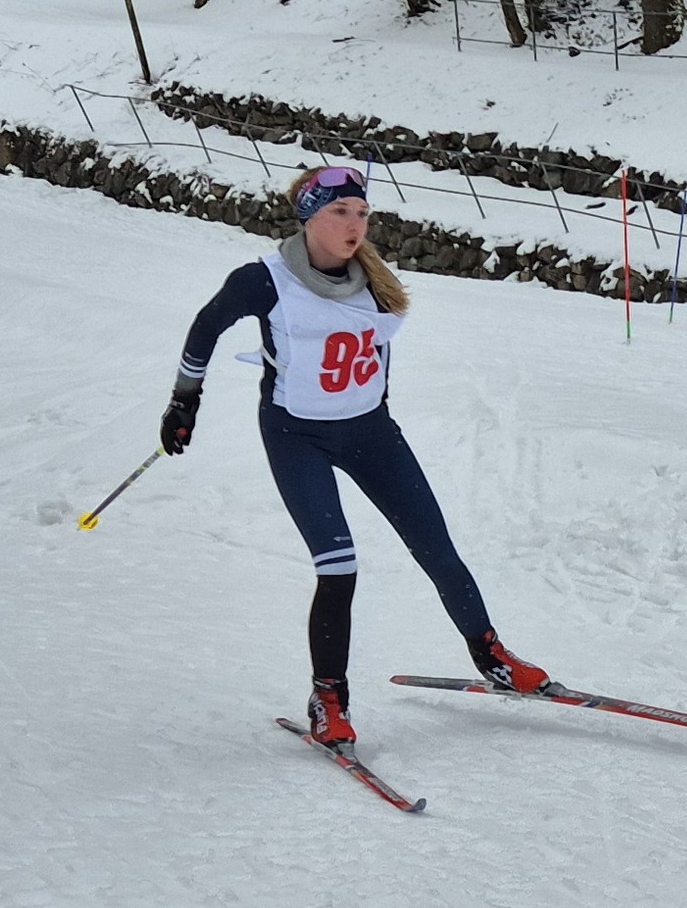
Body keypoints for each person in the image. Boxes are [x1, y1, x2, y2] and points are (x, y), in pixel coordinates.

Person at [160, 164, 551, 747]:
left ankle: (490, 654)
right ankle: (329, 698)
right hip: (298, 437)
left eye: (362, 213)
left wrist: (375, 410)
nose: (355, 224)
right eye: (340, 212)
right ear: (309, 217)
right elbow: (206, 325)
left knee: (437, 548)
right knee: (338, 566)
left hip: (370, 432)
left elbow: (378, 358)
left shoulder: (374, 281)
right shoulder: (263, 280)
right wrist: (184, 399)